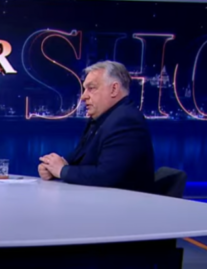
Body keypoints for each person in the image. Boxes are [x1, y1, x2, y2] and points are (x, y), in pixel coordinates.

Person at [38, 60, 155, 193]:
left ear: (114, 89)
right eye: (84, 89)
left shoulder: (126, 120)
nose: (83, 97)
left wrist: (62, 170)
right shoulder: (101, 119)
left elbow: (106, 175)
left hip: (122, 204)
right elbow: (79, 157)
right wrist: (53, 166)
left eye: (91, 88)